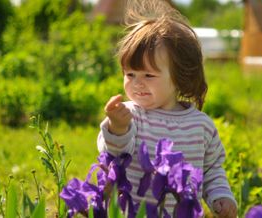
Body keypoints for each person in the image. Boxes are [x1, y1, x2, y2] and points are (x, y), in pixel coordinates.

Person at [97, 0, 237, 217]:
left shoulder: (201, 126)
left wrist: (221, 196)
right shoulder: (129, 116)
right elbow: (112, 155)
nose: (137, 83)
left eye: (149, 75)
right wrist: (117, 128)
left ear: (180, 77)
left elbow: (211, 170)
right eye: (130, 74)